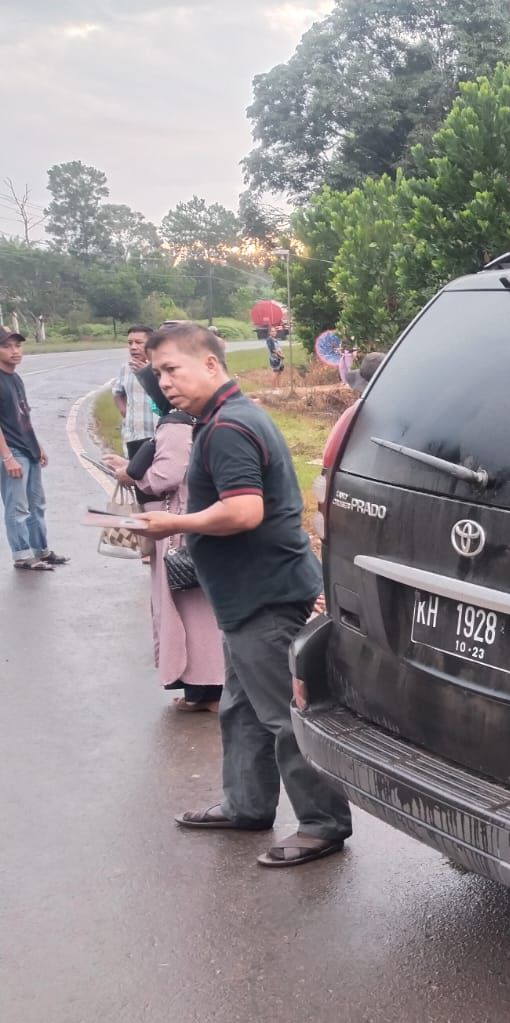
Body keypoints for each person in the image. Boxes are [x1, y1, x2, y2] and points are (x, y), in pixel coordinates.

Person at [136, 323, 351, 868]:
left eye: (171, 369)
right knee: (240, 709)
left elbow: (244, 511)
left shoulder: (229, 426)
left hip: (266, 597)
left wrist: (172, 522)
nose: (163, 382)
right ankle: (247, 804)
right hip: (242, 598)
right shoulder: (220, 419)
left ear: (211, 364)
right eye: (157, 372)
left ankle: (324, 823)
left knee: (284, 715)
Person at [102, 391, 226, 712]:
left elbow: (166, 476)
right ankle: (203, 690)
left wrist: (130, 474)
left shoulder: (175, 424)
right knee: (200, 609)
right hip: (195, 523)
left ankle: (208, 691)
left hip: (175, 530)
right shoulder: (205, 418)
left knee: (188, 611)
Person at [0, 326, 68, 571]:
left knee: (37, 504)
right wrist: (7, 457)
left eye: (17, 345)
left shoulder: (15, 378)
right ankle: (22, 555)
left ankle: (41, 550)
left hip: (28, 449)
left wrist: (37, 446)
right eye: (6, 346)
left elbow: (23, 416)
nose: (14, 351)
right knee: (17, 507)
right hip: (12, 453)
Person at [113, 325, 159, 463]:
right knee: (133, 477)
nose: (133, 347)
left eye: (139, 343)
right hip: (132, 436)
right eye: (130, 343)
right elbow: (117, 392)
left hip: (156, 436)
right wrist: (124, 412)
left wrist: (149, 372)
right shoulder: (126, 368)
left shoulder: (161, 367)